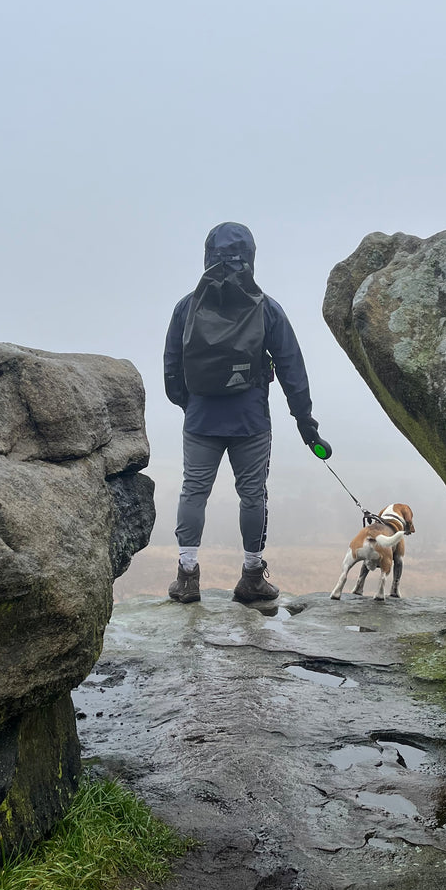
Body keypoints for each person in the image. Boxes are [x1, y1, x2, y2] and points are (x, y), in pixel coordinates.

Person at [163, 222, 324, 604]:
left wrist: (189, 403)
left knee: (194, 491)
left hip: (201, 419)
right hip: (251, 421)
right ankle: (252, 577)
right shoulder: (267, 308)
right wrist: (305, 422)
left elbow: (172, 365)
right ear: (250, 258)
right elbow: (292, 369)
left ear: (207, 257)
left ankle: (187, 577)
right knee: (253, 496)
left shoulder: (187, 307)